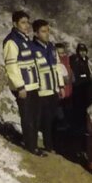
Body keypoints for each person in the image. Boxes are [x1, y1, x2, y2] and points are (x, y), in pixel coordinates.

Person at [3, 10, 42, 156]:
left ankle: (33, 143)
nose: (26, 26)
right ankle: (31, 147)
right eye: (23, 23)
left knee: (35, 116)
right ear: (15, 24)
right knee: (27, 117)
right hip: (23, 87)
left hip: (33, 84)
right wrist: (20, 87)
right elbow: (11, 67)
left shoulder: (25, 39)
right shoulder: (12, 41)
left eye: (28, 22)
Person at [31, 19, 65, 153]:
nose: (47, 34)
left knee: (53, 120)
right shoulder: (32, 48)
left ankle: (52, 145)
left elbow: (57, 67)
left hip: (53, 89)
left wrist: (61, 85)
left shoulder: (51, 46)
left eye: (48, 31)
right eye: (43, 31)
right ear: (36, 33)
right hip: (40, 91)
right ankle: (46, 145)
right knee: (43, 120)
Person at [70, 43, 92, 130]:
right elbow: (76, 73)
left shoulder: (85, 59)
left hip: (85, 85)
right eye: (81, 51)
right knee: (80, 104)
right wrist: (83, 77)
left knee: (86, 103)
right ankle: (79, 124)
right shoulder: (76, 60)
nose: (82, 53)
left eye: (84, 51)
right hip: (79, 85)